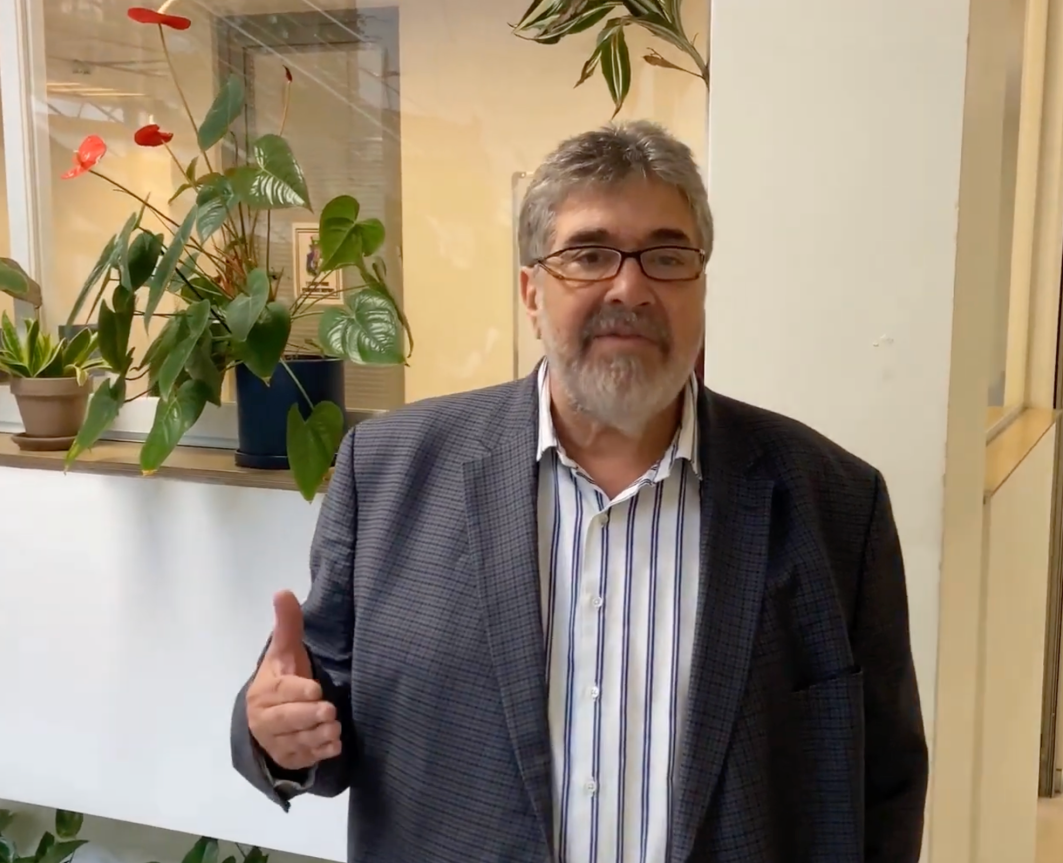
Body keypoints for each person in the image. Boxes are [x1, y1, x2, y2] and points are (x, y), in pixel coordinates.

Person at [230, 120, 928, 863]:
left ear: (700, 286)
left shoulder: (835, 504)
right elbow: (320, 696)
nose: (630, 287)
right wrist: (275, 731)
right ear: (531, 292)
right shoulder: (389, 472)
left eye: (667, 256)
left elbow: (883, 785)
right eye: (589, 255)